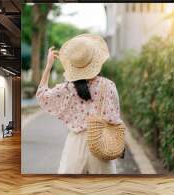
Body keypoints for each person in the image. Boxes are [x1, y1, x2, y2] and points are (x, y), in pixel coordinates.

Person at [36, 34, 122, 174]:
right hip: (102, 143)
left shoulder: (67, 88)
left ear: (73, 65)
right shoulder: (108, 86)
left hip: (75, 146)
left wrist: (48, 66)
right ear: (96, 61)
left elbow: (42, 96)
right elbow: (115, 118)